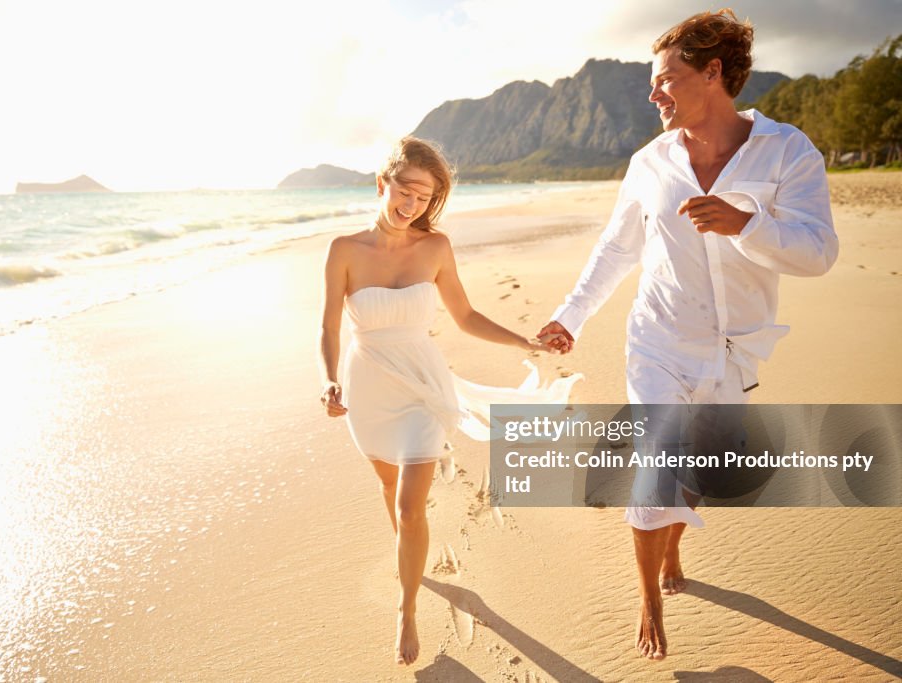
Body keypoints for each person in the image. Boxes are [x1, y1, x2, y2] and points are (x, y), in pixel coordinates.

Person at [537, 9, 838, 661]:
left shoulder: (788, 151)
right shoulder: (651, 162)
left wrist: (746, 224)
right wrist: (570, 315)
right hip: (658, 342)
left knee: (700, 471)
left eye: (665, 79)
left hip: (736, 352)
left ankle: (673, 543)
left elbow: (820, 252)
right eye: (652, 82)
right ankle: (647, 597)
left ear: (713, 73)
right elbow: (617, 249)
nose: (653, 94)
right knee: (655, 474)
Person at [319, 136, 576, 666]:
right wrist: (329, 380)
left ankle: (406, 607)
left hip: (422, 383)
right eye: (405, 190)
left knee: (412, 506)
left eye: (424, 198)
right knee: (390, 490)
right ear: (382, 183)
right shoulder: (343, 250)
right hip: (367, 382)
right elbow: (327, 325)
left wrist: (523, 340)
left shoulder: (435, 248)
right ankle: (411, 558)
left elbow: (465, 317)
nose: (411, 204)